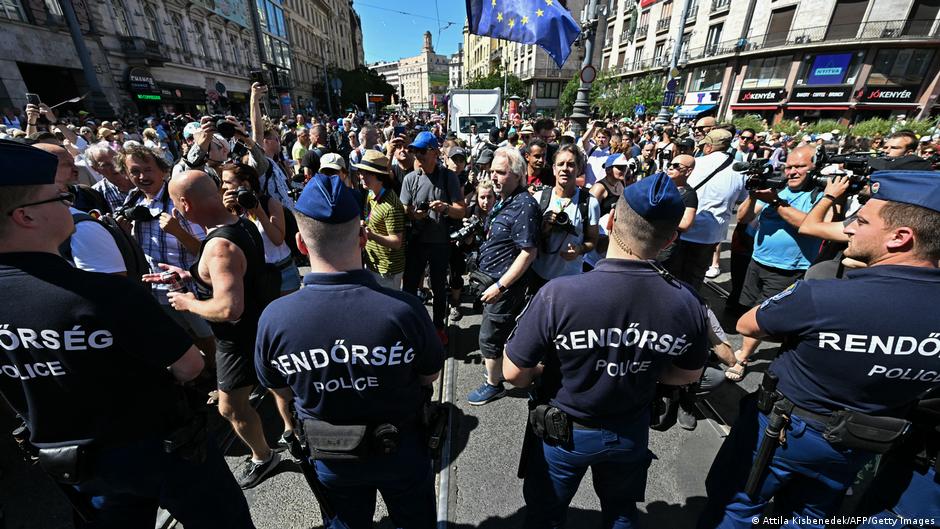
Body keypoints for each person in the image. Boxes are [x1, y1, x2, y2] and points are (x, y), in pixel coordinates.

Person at [0, 139, 255, 528]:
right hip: (159, 450)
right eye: (57, 197)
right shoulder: (103, 294)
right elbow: (189, 366)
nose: (69, 202)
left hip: (74, 461)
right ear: (25, 216)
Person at [698, 170, 940, 529]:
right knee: (808, 517)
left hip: (783, 434)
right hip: (864, 441)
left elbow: (748, 324)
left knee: (736, 508)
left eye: (861, 221)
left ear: (900, 237)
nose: (850, 228)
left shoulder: (825, 294)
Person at [503, 171, 710, 528]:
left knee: (545, 516)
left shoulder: (559, 294)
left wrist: (547, 372)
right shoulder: (687, 302)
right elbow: (689, 373)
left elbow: (513, 373)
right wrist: (642, 366)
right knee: (620, 514)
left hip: (564, 434)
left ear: (611, 220)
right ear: (670, 240)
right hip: (629, 430)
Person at [254, 173, 444, 529]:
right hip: (401, 450)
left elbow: (279, 391)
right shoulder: (404, 309)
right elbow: (429, 373)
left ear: (300, 244)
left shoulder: (274, 319)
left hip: (332, 457)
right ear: (361, 236)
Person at [154, 170, 281, 489]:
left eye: (174, 203)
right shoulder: (241, 224)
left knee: (230, 406)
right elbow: (231, 273)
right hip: (260, 327)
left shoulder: (219, 245)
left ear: (184, 203)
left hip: (237, 340)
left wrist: (187, 303)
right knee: (280, 388)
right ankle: (293, 439)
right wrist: (189, 276)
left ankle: (264, 457)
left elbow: (228, 308)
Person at [724, 146, 824, 382]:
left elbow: (809, 225)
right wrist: (753, 194)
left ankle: (743, 358)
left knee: (762, 314)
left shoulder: (818, 196)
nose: (792, 172)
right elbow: (743, 218)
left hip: (788, 269)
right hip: (758, 261)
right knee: (750, 307)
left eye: (800, 166)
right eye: (789, 166)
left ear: (814, 167)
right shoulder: (778, 189)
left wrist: (775, 201)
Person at [466, 147, 541, 406]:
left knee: (489, 336)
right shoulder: (504, 200)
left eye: (501, 172)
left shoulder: (524, 205)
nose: (494, 177)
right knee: (499, 334)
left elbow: (528, 253)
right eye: (492, 171)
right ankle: (498, 372)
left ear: (518, 174)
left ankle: (494, 384)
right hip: (492, 281)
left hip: (505, 287)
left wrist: (500, 285)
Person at [400, 131, 466, 342]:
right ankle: (411, 327)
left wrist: (445, 208)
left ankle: (438, 327)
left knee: (439, 288)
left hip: (440, 243)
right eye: (415, 151)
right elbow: (404, 208)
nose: (417, 155)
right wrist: (414, 213)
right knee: (410, 287)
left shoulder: (449, 177)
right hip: (417, 242)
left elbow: (461, 210)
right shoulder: (411, 178)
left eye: (421, 151)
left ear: (435, 153)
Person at [663, 129, 743, 293]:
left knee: (670, 275)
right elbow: (741, 199)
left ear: (708, 146)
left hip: (681, 230)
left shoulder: (695, 164)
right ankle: (690, 309)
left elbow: (676, 187)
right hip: (710, 234)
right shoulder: (739, 170)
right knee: (694, 278)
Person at [219, 163, 300, 296]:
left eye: (227, 182)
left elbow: (278, 239)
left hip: (283, 273)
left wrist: (259, 211)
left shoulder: (270, 204)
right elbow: (227, 242)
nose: (223, 187)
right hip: (256, 276)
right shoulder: (232, 210)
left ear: (245, 185)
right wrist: (226, 212)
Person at [530, 145, 600, 291]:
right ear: (554, 169)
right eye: (561, 164)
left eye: (571, 164)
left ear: (579, 169)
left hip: (571, 280)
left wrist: (579, 249)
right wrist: (544, 229)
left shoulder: (589, 203)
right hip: (538, 277)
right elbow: (529, 241)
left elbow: (593, 240)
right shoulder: (539, 199)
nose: (565, 169)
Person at [357, 150, 406, 289]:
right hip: (373, 264)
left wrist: (371, 235)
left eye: (367, 173)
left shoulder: (392, 206)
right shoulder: (370, 192)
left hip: (387, 270)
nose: (361, 176)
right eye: (361, 172)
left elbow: (396, 242)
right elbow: (373, 219)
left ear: (379, 176)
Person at [590, 153, 635, 218]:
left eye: (625, 167)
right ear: (608, 170)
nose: (624, 170)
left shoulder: (621, 183)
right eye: (620, 168)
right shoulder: (599, 188)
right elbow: (590, 214)